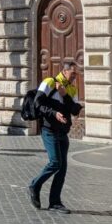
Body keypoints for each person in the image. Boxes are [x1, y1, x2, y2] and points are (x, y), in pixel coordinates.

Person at [28, 59, 82, 213]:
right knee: (55, 163)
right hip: (49, 130)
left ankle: (55, 202)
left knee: (62, 168)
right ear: (64, 71)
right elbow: (37, 103)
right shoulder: (49, 82)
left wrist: (64, 95)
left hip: (63, 132)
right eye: (72, 74)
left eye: (75, 75)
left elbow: (75, 110)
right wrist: (54, 113)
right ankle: (35, 185)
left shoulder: (71, 89)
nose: (74, 77)